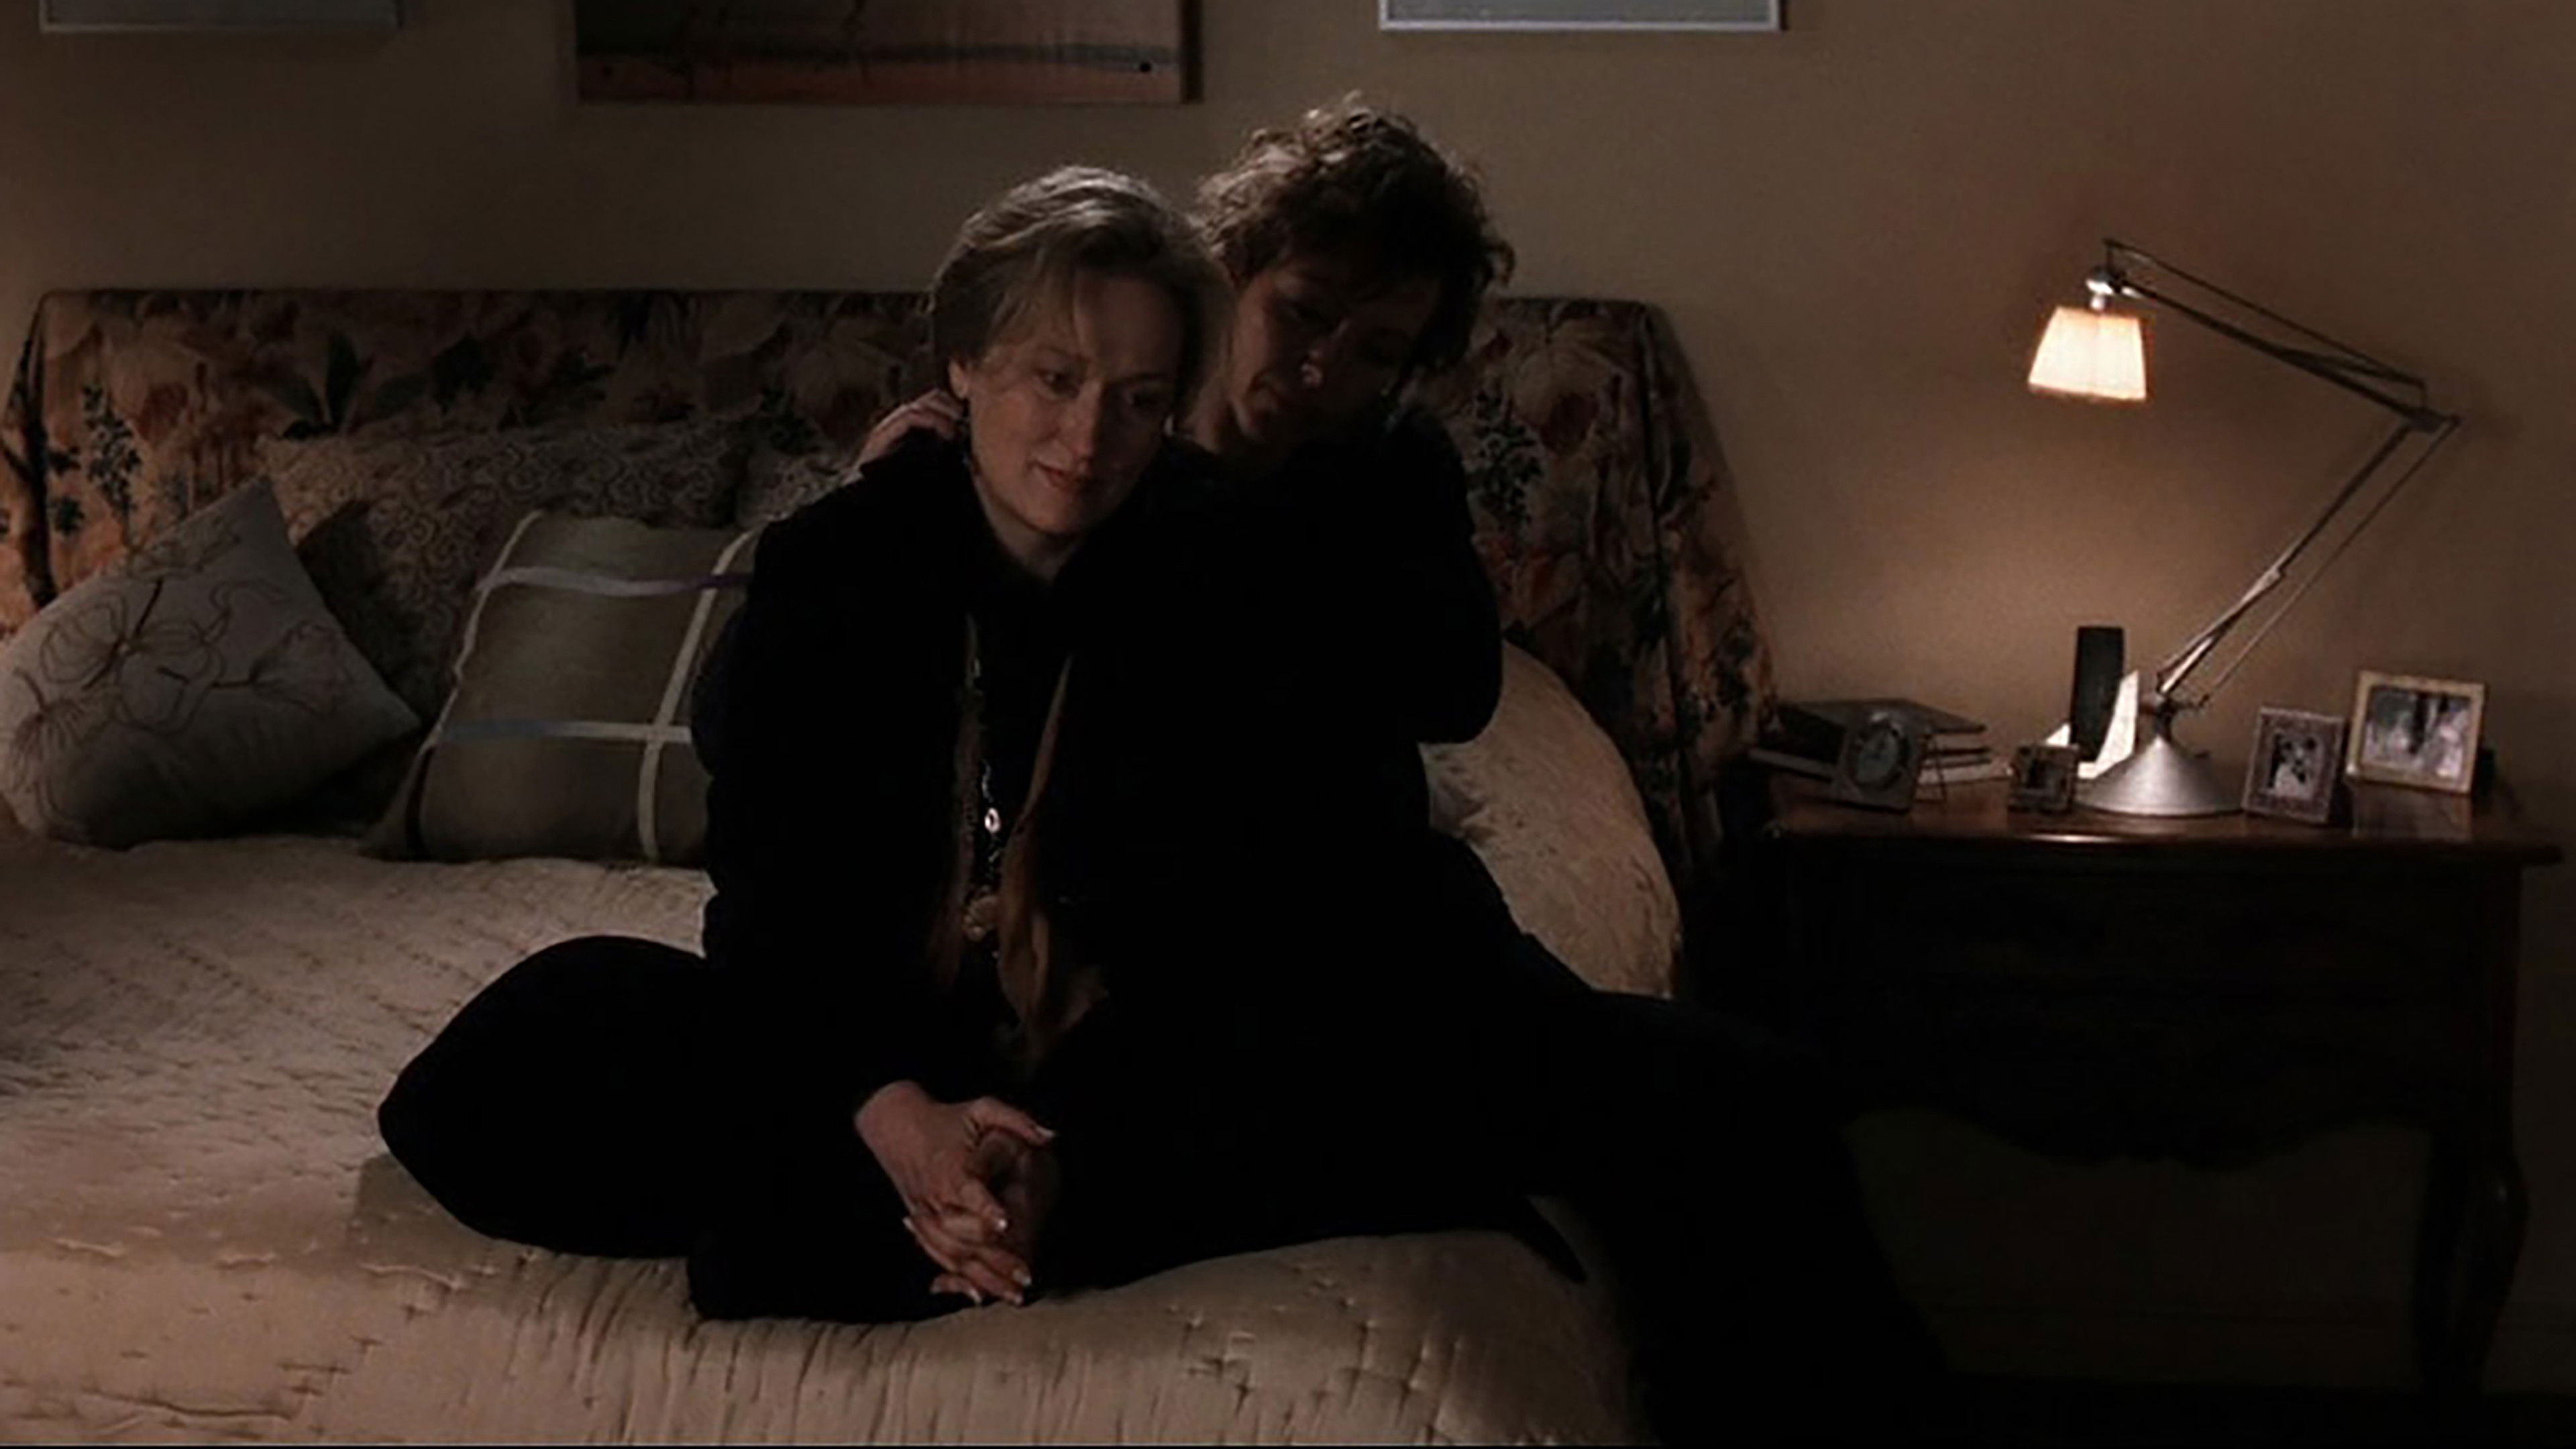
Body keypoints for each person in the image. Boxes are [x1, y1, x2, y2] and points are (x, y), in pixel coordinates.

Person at [861, 99, 1945, 1440]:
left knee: (1753, 1109)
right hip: (1191, 981)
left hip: (1394, 942)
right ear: (1231, 275)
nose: (1321, 367)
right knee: (1686, 1129)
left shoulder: (1379, 468)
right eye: (1303, 314)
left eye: (1374, 351)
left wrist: (1321, 504)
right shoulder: (1087, 462)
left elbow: (1457, 686)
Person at [376, 164, 1269, 1319]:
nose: (1090, 436)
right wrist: (898, 1121)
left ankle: (982, 1211)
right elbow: (773, 901)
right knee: (534, 1040)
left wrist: (1059, 1151)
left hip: (1099, 1064)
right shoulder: (840, 563)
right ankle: (936, 1210)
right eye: (1056, 379)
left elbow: (1205, 923)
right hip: (861, 1044)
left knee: (1353, 1033)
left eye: (1140, 400)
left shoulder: (1213, 569)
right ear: (964, 365)